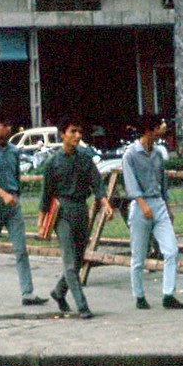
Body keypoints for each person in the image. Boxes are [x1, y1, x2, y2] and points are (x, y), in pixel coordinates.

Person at [41, 118, 113, 319]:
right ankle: (83, 306)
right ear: (62, 134)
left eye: (79, 131)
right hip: (62, 213)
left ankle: (58, 292)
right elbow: (46, 195)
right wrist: (41, 221)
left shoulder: (85, 158)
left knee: (79, 259)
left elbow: (97, 184)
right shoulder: (52, 162)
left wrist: (106, 204)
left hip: (81, 211)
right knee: (70, 263)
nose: (77, 136)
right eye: (73, 131)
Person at [0, 115, 45, 306]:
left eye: (9, 125)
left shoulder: (14, 151)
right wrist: (3, 194)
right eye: (4, 126)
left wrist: (14, 195)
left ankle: (27, 292)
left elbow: (16, 174)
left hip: (13, 202)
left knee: (20, 247)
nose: (8, 129)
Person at [123, 114, 183, 311]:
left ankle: (168, 293)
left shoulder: (158, 154)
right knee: (139, 256)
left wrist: (167, 206)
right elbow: (131, 185)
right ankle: (139, 295)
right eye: (159, 126)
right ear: (150, 130)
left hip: (158, 203)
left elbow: (162, 182)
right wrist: (142, 206)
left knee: (171, 250)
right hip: (141, 206)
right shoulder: (130, 155)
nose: (163, 128)